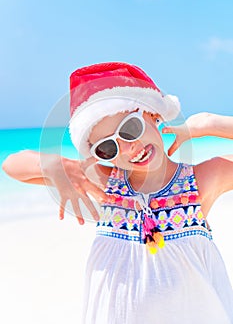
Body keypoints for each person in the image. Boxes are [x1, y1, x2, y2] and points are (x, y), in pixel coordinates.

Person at [2, 62, 233, 324]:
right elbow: (12, 165)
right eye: (107, 148)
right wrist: (58, 164)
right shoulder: (104, 184)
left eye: (130, 128)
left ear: (153, 114)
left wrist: (212, 124)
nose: (128, 148)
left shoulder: (200, 180)